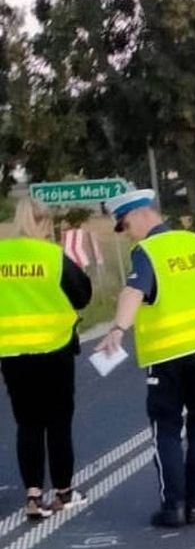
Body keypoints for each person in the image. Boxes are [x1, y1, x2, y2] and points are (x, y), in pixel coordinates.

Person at [96, 189, 195, 528]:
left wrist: (117, 329)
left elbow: (134, 290)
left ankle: (174, 506)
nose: (127, 235)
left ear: (139, 214)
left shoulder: (147, 251)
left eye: (125, 226)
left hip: (167, 355)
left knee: (166, 427)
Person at [0, 198, 92, 521]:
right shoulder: (53, 257)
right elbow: (82, 295)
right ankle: (64, 492)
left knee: (27, 423)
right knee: (57, 422)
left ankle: (33, 496)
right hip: (54, 350)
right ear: (43, 224)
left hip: (12, 353)